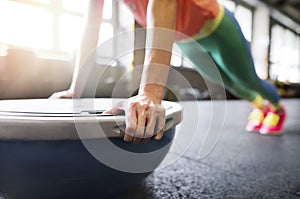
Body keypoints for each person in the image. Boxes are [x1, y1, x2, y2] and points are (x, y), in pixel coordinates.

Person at [50, 0, 286, 144]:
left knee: (247, 80)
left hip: (215, 26)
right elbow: (91, 28)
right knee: (228, 83)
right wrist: (75, 90)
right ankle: (260, 106)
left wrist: (151, 93)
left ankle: (276, 108)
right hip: (186, 40)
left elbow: (163, 3)